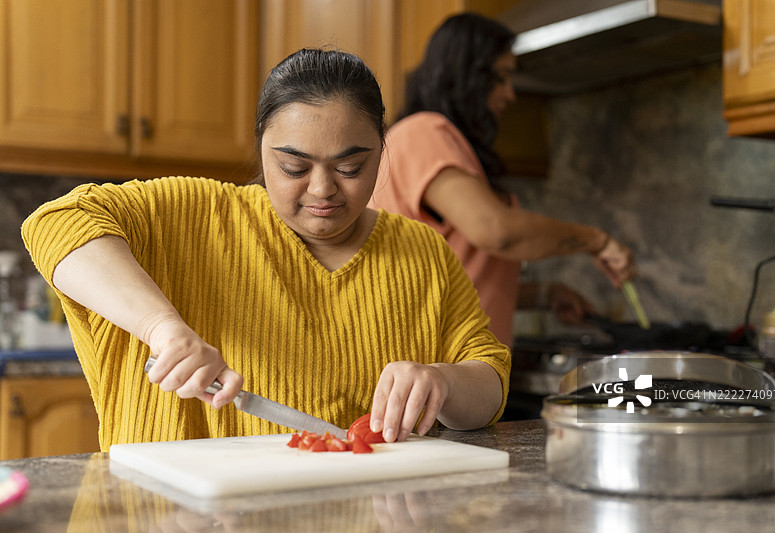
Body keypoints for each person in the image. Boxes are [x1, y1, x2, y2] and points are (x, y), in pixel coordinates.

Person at [21, 48, 510, 451]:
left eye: (351, 167)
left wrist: (443, 381)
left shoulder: (421, 251)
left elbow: (488, 383)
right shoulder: (195, 213)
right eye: (294, 167)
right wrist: (161, 328)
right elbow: (56, 223)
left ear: (382, 150)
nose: (323, 189)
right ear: (261, 149)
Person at [370, 13, 635, 347]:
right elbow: (497, 231)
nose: (510, 94)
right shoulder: (423, 131)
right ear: (468, 76)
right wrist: (597, 240)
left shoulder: (446, 143)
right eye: (502, 78)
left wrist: (543, 295)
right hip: (429, 376)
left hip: (450, 375)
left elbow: (460, 283)